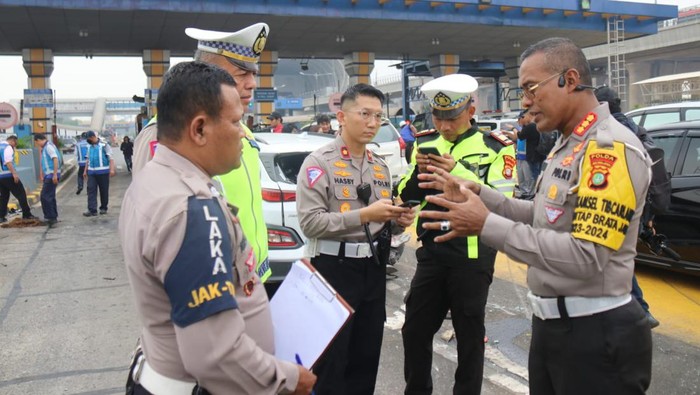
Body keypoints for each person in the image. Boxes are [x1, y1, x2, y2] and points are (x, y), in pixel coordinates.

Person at [417, 37, 653, 394]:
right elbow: (542, 216)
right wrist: (481, 193)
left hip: (595, 335)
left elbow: (586, 256)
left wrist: (483, 224)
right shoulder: (568, 144)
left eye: (531, 88)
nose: (525, 102)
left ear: (570, 80)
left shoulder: (608, 149)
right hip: (554, 328)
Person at [120, 61, 316, 395]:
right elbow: (216, 355)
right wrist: (289, 380)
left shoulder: (155, 179)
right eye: (237, 122)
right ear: (199, 129)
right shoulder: (191, 210)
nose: (243, 132)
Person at [395, 73, 516, 395]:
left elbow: (503, 204)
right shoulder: (423, 143)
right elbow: (409, 194)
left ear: (471, 111)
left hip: (472, 255)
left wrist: (455, 172)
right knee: (415, 329)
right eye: (438, 118)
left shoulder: (496, 147)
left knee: (469, 335)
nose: (445, 126)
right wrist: (417, 175)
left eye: (452, 118)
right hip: (433, 251)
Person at [296, 83, 415, 394]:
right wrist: (365, 215)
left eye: (378, 116)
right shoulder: (318, 163)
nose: (373, 123)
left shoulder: (380, 167)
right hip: (333, 270)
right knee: (331, 363)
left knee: (366, 357)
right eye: (365, 114)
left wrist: (398, 220)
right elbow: (310, 223)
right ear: (341, 117)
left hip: (373, 272)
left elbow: (382, 221)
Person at [595, 85, 662, 329]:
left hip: (618, 203)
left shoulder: (611, 132)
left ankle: (640, 311)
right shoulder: (638, 129)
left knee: (613, 257)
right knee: (620, 256)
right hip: (640, 202)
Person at [0, 135, 37, 223]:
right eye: (15, 144)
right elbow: (8, 162)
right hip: (8, 175)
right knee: (21, 194)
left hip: (1, 177)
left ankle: (1, 217)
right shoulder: (7, 147)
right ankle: (27, 214)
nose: (15, 146)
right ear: (12, 141)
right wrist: (14, 173)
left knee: (4, 197)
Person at [502, 110, 534, 199]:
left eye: (519, 119)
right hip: (520, 156)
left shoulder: (528, 128)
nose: (518, 122)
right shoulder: (521, 129)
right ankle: (524, 192)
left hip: (527, 157)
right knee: (521, 177)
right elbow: (515, 138)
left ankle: (530, 194)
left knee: (528, 177)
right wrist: (507, 133)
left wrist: (513, 128)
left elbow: (518, 136)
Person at [83, 131, 116, 216]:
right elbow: (87, 159)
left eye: (89, 138)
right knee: (91, 190)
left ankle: (103, 208)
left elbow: (111, 158)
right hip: (91, 173)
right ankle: (92, 210)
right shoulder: (89, 146)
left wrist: (112, 170)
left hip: (103, 172)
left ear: (94, 137)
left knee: (103, 190)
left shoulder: (104, 145)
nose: (88, 140)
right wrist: (85, 170)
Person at [33, 134, 60, 227]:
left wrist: (55, 174)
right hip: (50, 174)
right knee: (50, 196)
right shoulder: (48, 146)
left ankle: (50, 217)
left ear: (38, 140)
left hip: (52, 174)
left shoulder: (48, 147)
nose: (37, 145)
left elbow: (55, 159)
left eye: (36, 143)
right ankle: (53, 216)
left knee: (45, 196)